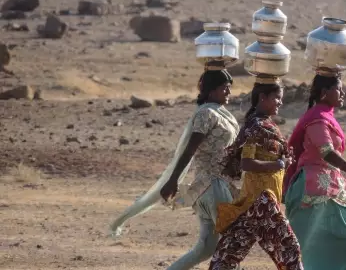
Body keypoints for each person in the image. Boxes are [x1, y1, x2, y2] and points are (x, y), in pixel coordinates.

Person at [109, 67, 240, 270]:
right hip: (212, 188)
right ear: (212, 91)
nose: (228, 92)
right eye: (224, 88)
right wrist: (173, 180)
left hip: (212, 189)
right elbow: (189, 151)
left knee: (205, 249)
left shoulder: (221, 113)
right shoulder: (206, 114)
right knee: (233, 243)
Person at [282, 71, 346, 270]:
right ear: (325, 92)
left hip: (330, 185)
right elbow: (327, 153)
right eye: (339, 89)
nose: (343, 93)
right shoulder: (317, 119)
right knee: (317, 243)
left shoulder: (323, 116)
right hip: (314, 186)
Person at [209, 80, 304, 270]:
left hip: (253, 202)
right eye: (276, 98)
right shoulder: (256, 126)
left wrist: (283, 161)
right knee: (289, 248)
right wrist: (278, 163)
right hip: (262, 201)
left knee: (229, 253)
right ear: (263, 98)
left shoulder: (263, 124)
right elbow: (247, 162)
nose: (280, 103)